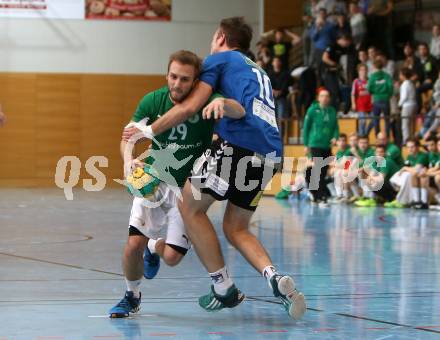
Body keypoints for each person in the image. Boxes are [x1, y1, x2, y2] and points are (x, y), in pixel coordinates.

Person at [123, 17, 306, 319]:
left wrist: (149, 132)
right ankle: (273, 276)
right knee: (236, 227)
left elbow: (188, 108)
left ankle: (222, 286)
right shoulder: (258, 70)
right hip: (272, 154)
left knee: (188, 203)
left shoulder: (218, 60)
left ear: (221, 36)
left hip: (240, 146)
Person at [109, 50, 246, 318]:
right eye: (173, 77)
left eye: (185, 79)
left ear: (196, 81)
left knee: (171, 258)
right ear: (167, 75)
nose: (177, 84)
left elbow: (239, 111)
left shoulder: (206, 99)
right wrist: (128, 159)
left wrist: (225, 106)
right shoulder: (153, 100)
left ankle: (154, 247)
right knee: (132, 245)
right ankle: (131, 296)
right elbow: (128, 137)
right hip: (156, 182)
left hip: (188, 191)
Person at [303, 88, 339, 206]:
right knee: (318, 170)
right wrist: (306, 144)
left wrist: (335, 137)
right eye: (322, 96)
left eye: (327, 96)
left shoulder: (332, 111)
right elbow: (306, 127)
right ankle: (320, 197)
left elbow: (336, 127)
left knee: (323, 171)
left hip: (326, 146)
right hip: (315, 144)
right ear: (318, 98)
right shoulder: (313, 110)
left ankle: (316, 194)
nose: (325, 98)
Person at [386, 138, 429, 209]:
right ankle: (415, 200)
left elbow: (416, 170)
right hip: (416, 178)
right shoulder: (410, 156)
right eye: (408, 147)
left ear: (418, 147)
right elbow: (407, 168)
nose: (410, 149)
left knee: (410, 175)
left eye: (412, 147)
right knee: (403, 175)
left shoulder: (422, 156)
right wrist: (405, 169)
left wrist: (405, 168)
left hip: (424, 179)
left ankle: (405, 200)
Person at [322, 33, 352, 110]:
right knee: (333, 92)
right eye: (347, 42)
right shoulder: (332, 46)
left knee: (338, 92)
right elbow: (324, 58)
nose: (347, 44)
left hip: (335, 72)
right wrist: (335, 64)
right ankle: (331, 111)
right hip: (328, 72)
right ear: (343, 40)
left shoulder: (343, 49)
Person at [366, 56, 394, 138]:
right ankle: (387, 137)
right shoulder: (387, 76)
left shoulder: (372, 76)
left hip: (376, 100)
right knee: (387, 120)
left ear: (374, 66)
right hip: (385, 100)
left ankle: (377, 136)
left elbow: (369, 88)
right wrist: (388, 96)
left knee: (376, 120)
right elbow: (391, 87)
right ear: (383, 66)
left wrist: (374, 94)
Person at [352, 63, 372, 136]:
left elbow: (372, 92)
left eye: (365, 70)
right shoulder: (356, 81)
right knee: (362, 121)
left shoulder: (370, 80)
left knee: (374, 120)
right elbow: (353, 94)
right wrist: (353, 103)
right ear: (358, 71)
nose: (363, 71)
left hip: (370, 104)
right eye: (361, 70)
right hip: (361, 104)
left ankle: (366, 134)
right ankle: (361, 136)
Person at [398, 67, 417, 144]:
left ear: (403, 75)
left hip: (407, 106)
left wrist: (399, 105)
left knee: (405, 124)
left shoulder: (404, 84)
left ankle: (406, 141)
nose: (399, 76)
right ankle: (412, 139)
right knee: (412, 124)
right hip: (414, 104)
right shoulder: (411, 83)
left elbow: (404, 97)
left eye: (400, 74)